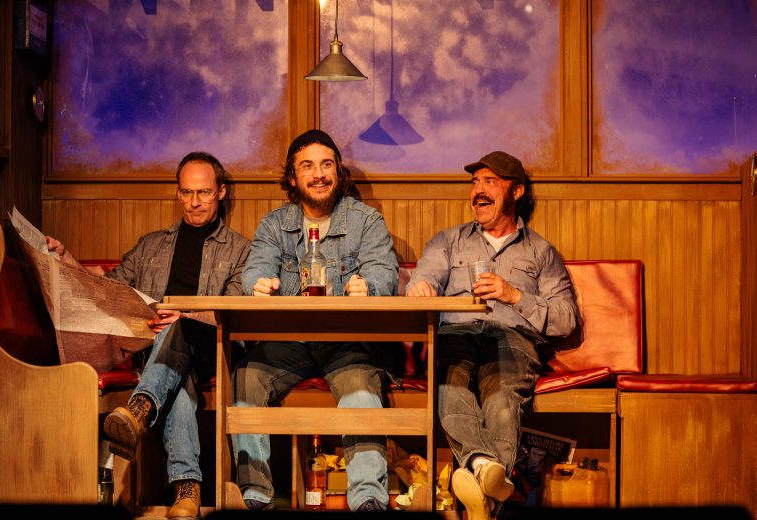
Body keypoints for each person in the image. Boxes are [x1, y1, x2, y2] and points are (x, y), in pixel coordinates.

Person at [46, 151, 251, 520]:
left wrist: (187, 314)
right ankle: (186, 492)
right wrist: (66, 259)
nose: (194, 202)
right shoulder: (152, 245)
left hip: (212, 348)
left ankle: (140, 408)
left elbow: (237, 306)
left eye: (203, 193)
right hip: (155, 353)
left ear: (221, 193)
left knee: (178, 328)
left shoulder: (239, 249)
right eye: (186, 193)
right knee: (179, 379)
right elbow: (107, 290)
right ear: (177, 193)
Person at [405, 151, 580, 520]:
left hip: (511, 338)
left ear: (516, 192)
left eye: (490, 182)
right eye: (474, 183)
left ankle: (481, 482)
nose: (478, 191)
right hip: (455, 333)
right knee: (451, 387)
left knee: (502, 399)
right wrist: (420, 288)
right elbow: (425, 278)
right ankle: (487, 473)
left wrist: (513, 294)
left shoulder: (542, 252)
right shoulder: (448, 241)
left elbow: (566, 320)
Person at [232, 129, 399, 512]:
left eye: (326, 165)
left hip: (347, 341)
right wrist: (257, 284)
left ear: (338, 173)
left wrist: (368, 287)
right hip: (290, 340)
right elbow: (254, 271)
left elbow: (384, 274)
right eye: (307, 166)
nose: (318, 174)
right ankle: (255, 497)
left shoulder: (366, 221)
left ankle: (368, 500)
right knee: (246, 377)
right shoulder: (274, 225)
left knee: (360, 389)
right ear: (293, 177)